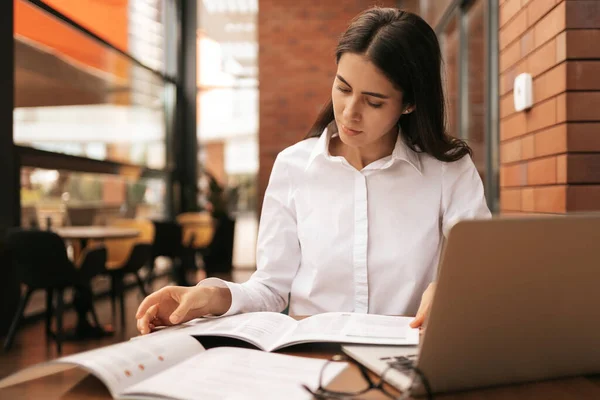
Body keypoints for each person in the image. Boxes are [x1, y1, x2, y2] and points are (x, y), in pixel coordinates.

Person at [136, 7, 491, 335]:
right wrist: (211, 296)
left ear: (410, 103)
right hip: (310, 355)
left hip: (405, 355)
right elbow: (271, 288)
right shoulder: (293, 167)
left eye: (374, 101)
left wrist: (451, 287)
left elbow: (482, 265)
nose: (350, 112)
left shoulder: (448, 171)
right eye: (343, 88)